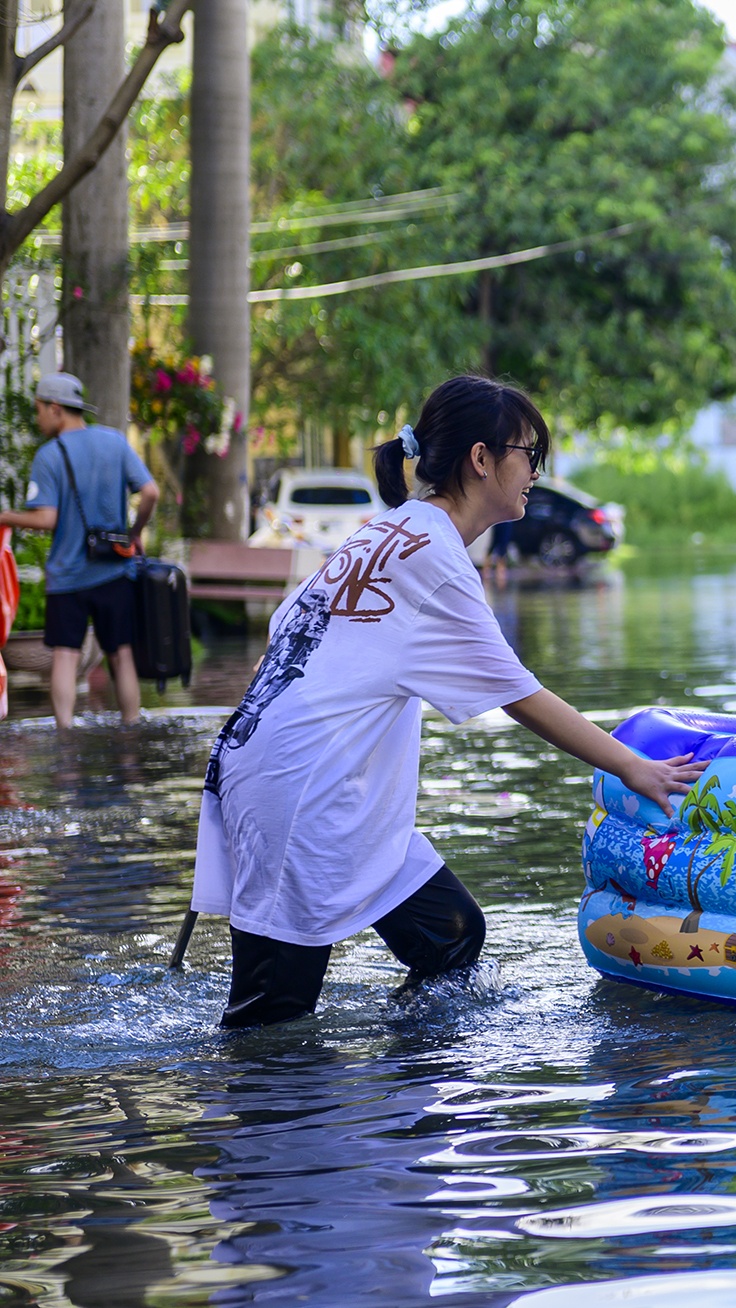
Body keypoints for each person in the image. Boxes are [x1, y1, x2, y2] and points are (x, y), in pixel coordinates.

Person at [192, 376, 705, 1029]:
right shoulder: (433, 554)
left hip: (287, 770)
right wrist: (633, 767)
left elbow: (283, 636)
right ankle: (279, 1095)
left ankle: (407, 1089)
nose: (537, 473)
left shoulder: (389, 530)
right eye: (529, 453)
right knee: (272, 1019)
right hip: (302, 790)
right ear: (481, 458)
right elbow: (519, 694)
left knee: (451, 937)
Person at [0, 372, 159, 728]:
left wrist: (5, 516)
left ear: (55, 409)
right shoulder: (115, 442)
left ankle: (65, 734)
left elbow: (46, 518)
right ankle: (131, 728)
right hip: (113, 570)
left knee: (66, 656)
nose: (38, 418)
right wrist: (133, 533)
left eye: (39, 409)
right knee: (121, 654)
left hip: (67, 576)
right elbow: (151, 492)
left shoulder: (49, 455)